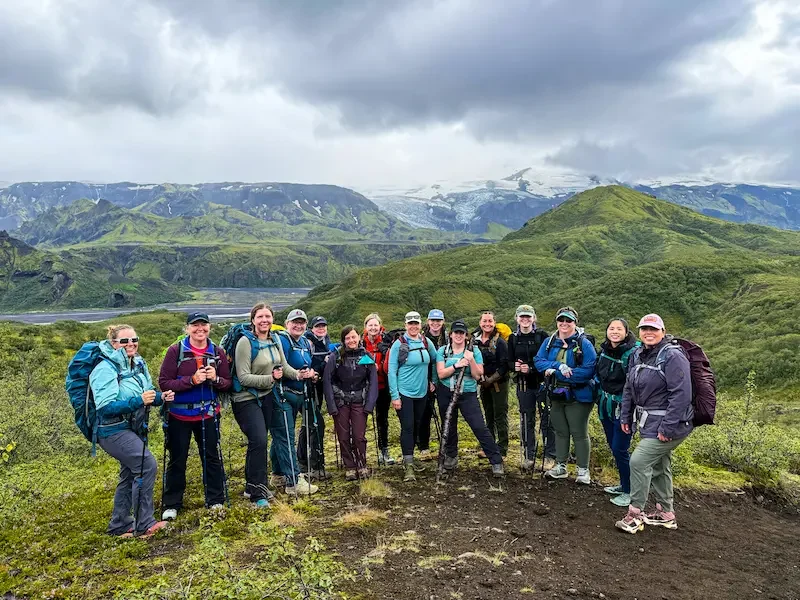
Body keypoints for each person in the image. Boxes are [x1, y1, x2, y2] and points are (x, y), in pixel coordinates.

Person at [90, 324, 173, 538]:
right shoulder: (105, 368)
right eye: (124, 341)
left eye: (134, 339)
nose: (131, 344)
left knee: (129, 472)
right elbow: (105, 407)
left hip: (131, 427)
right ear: (113, 344)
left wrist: (159, 397)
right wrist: (138, 401)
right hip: (111, 429)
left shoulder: (138, 363)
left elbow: (147, 392)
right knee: (146, 466)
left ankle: (120, 524)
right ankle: (144, 524)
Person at [616, 314, 693, 534]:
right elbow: (629, 387)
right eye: (644, 329)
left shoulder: (672, 356)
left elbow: (681, 394)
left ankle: (635, 515)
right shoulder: (638, 354)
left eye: (653, 329)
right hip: (648, 421)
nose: (649, 333)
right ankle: (666, 514)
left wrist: (667, 428)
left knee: (639, 462)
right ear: (639, 332)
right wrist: (625, 415)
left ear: (663, 330)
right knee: (659, 464)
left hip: (672, 423)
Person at [158, 313, 232, 520]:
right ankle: (171, 504)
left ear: (210, 326)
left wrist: (215, 378)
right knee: (177, 459)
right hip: (179, 416)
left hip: (208, 414)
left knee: (211, 457)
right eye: (195, 325)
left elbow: (228, 383)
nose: (200, 329)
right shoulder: (176, 351)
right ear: (187, 328)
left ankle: (215, 500)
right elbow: (164, 382)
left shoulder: (217, 352)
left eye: (204, 325)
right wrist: (191, 380)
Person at [230, 303, 296, 508]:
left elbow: (283, 367)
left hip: (266, 397)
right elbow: (242, 377)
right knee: (258, 440)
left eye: (268, 316)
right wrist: (270, 379)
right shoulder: (245, 342)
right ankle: (259, 491)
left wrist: (300, 375)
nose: (264, 320)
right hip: (245, 399)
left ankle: (251, 487)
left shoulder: (274, 339)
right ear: (253, 320)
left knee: (258, 442)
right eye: (260, 317)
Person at [534, 307, 597, 484]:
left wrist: (554, 372)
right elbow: (539, 361)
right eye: (561, 320)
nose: (564, 323)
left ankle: (583, 470)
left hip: (578, 394)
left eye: (568, 321)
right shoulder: (549, 341)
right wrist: (557, 367)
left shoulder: (584, 344)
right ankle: (560, 466)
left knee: (579, 432)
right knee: (560, 431)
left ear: (575, 323)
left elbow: (588, 370)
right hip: (555, 393)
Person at [436, 320, 505, 477]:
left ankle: (496, 461)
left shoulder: (474, 351)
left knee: (479, 426)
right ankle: (451, 457)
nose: (459, 335)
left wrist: (471, 359)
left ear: (466, 335)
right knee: (449, 426)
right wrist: (457, 365)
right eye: (456, 332)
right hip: (446, 393)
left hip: (467, 394)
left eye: (462, 333)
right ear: (451, 334)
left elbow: (478, 375)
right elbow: (441, 374)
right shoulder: (443, 351)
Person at [387, 310, 437, 482]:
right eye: (410, 323)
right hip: (404, 392)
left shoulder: (425, 341)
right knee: (407, 427)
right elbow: (391, 371)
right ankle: (408, 466)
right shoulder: (398, 344)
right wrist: (395, 396)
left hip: (422, 393)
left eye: (416, 323)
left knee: (416, 425)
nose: (413, 326)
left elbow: (436, 360)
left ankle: (411, 459)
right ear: (405, 324)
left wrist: (434, 381)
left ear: (420, 324)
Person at [324, 325, 378, 480]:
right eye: (347, 338)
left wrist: (369, 405)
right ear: (343, 340)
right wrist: (332, 406)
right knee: (343, 436)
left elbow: (373, 382)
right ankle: (349, 466)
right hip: (341, 401)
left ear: (359, 337)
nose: (351, 340)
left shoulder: (366, 357)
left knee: (359, 436)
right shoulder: (335, 357)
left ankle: (361, 464)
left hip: (360, 402)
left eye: (353, 337)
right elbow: (327, 382)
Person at [275, 309, 319, 495]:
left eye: (302, 322)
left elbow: (309, 365)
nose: (298, 325)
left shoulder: (305, 343)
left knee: (282, 434)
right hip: (284, 395)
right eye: (295, 322)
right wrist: (298, 374)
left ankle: (277, 474)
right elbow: (280, 367)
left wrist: (312, 375)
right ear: (287, 323)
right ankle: (294, 481)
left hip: (299, 395)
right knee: (286, 436)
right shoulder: (282, 341)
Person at [596, 318, 639, 507]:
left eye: (619, 329)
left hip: (623, 407)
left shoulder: (632, 353)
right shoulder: (605, 350)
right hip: (606, 404)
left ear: (626, 332)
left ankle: (630, 491)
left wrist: (628, 412)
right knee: (614, 447)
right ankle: (623, 484)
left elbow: (634, 384)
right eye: (611, 328)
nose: (614, 331)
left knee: (620, 448)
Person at [507, 305, 554, 470]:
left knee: (547, 421)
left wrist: (532, 368)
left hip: (542, 384)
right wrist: (515, 367)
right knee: (527, 420)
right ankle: (529, 455)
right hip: (523, 385)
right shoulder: (512, 339)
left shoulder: (542, 337)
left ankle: (549, 456)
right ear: (517, 318)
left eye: (528, 316)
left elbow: (549, 360)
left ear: (534, 318)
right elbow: (508, 361)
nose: (525, 320)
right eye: (522, 317)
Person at [300, 315, 335, 480]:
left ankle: (302, 461)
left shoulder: (326, 341)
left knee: (308, 424)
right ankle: (316, 466)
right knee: (316, 423)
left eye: (323, 326)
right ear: (311, 328)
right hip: (308, 388)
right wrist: (319, 370)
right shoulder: (308, 342)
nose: (321, 329)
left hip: (319, 387)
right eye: (318, 326)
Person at [472, 311, 509, 458]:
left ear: (494, 323)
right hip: (482, 383)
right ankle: (489, 446)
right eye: (484, 321)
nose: (487, 324)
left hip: (499, 384)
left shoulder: (500, 342)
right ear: (480, 323)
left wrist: (490, 380)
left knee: (500, 415)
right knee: (488, 415)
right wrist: (481, 380)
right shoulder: (475, 340)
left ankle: (502, 448)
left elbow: (505, 365)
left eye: (490, 321)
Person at [361, 313, 395, 465]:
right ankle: (360, 453)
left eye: (376, 325)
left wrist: (379, 368)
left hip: (383, 386)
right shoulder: (360, 343)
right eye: (370, 325)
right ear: (365, 327)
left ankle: (384, 451)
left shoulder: (387, 343)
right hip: (364, 388)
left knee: (383, 419)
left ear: (380, 326)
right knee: (360, 420)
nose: (373, 328)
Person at [420, 309, 447, 459]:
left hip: (445, 381)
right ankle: (424, 447)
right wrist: (429, 381)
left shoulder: (448, 338)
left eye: (438, 321)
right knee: (425, 414)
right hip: (427, 381)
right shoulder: (422, 339)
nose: (435, 323)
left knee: (446, 414)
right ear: (428, 322)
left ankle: (447, 446)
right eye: (433, 320)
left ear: (443, 322)